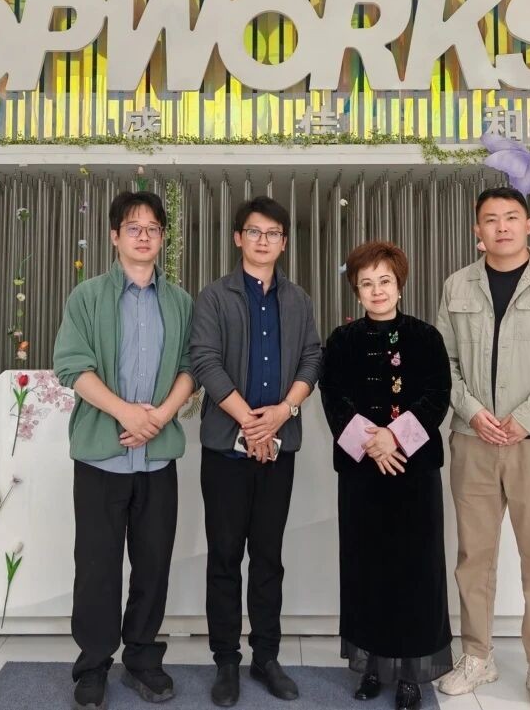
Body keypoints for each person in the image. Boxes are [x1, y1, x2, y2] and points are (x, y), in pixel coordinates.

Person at [434, 186, 530, 710]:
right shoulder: (457, 286)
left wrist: (524, 419)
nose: (501, 226)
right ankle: (477, 656)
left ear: (529, 225)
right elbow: (442, 362)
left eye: (511, 217)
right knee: (473, 557)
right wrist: (473, 411)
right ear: (477, 230)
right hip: (473, 438)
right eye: (491, 219)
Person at [53, 190, 196, 710]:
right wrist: (127, 413)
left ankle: (142, 659)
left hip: (158, 458)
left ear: (162, 239)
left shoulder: (180, 302)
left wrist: (158, 418)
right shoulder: (87, 296)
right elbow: (72, 365)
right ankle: (93, 664)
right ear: (115, 236)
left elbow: (191, 367)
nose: (143, 236)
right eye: (133, 227)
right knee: (97, 565)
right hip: (101, 455)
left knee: (153, 563)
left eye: (153, 228)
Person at [189, 196, 323, 707]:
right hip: (226, 452)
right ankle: (226, 660)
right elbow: (205, 361)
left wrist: (282, 413)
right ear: (238, 238)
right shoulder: (214, 297)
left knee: (268, 557)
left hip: (279, 448)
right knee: (224, 557)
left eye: (273, 233)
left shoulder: (298, 299)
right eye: (254, 231)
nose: (263, 240)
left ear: (283, 242)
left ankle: (266, 657)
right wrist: (251, 422)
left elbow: (312, 358)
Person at [318, 240, 453, 710]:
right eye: (367, 283)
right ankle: (372, 666)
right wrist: (371, 443)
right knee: (366, 568)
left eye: (385, 281)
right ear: (357, 291)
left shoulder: (426, 337)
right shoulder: (342, 340)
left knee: (415, 571)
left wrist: (394, 438)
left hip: (414, 473)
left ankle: (412, 674)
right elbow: (333, 396)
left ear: (400, 286)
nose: (377, 291)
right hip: (362, 474)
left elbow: (437, 394)